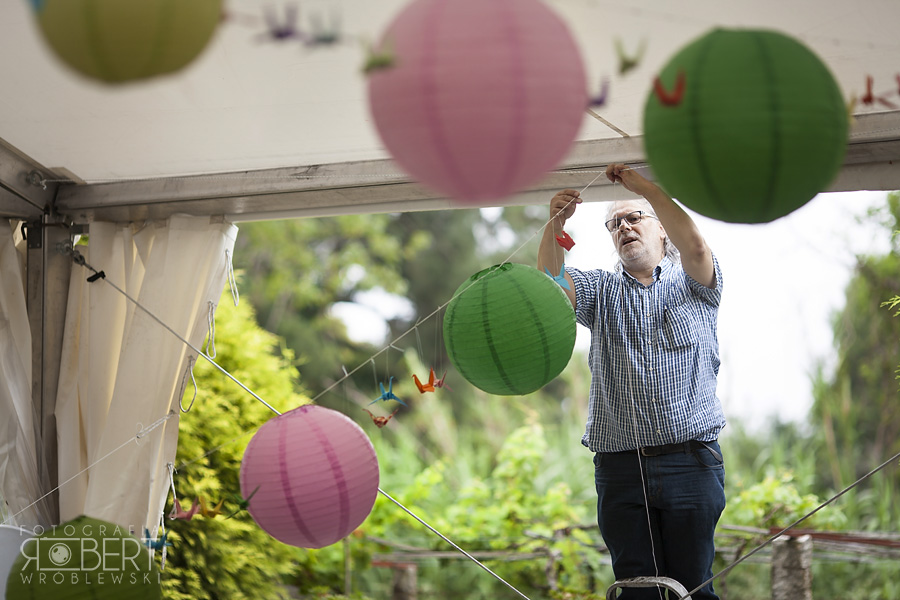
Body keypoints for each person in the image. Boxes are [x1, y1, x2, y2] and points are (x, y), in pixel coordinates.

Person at [537, 163, 726, 599]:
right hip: (620, 467)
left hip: (690, 463)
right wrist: (553, 225)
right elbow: (551, 284)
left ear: (663, 231)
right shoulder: (601, 291)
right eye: (614, 223)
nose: (623, 227)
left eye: (633, 218)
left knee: (693, 590)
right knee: (635, 591)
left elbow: (695, 244)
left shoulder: (695, 285)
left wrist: (646, 189)